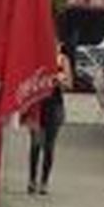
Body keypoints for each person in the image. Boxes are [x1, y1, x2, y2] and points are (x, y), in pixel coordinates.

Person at [27, 45, 72, 195]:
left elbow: (69, 84)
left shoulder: (63, 60)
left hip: (55, 105)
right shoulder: (37, 59)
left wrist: (60, 81)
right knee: (36, 143)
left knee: (49, 145)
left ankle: (44, 182)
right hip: (38, 105)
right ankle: (32, 179)